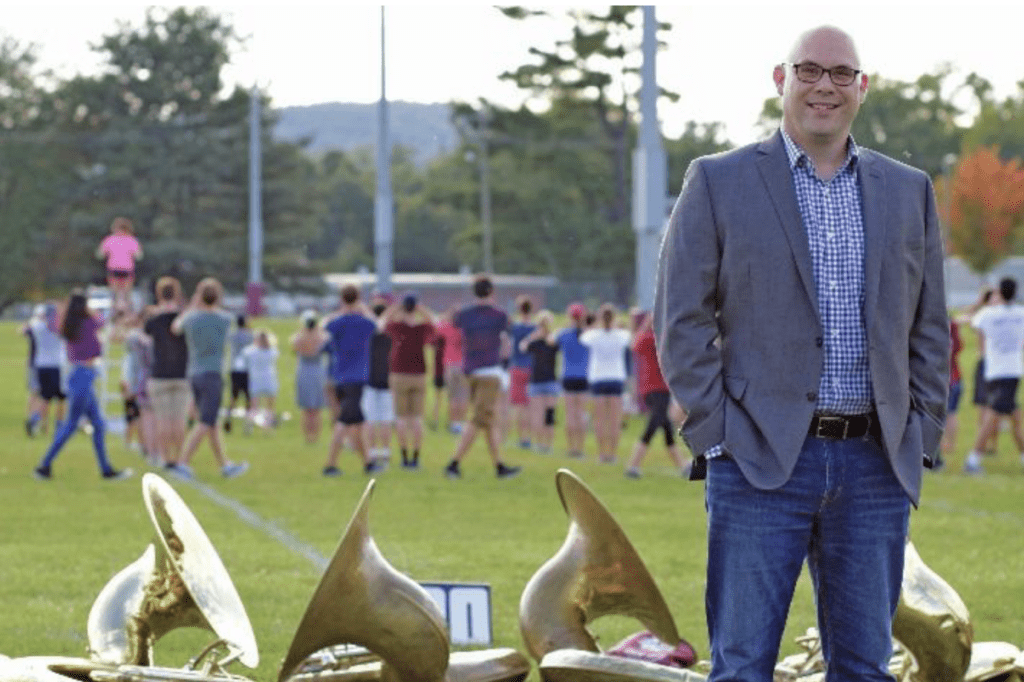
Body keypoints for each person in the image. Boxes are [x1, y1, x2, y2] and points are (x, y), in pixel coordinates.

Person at [654, 26, 948, 682]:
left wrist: (920, 431)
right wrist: (718, 433)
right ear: (780, 79)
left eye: (842, 74)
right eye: (809, 70)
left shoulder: (908, 190)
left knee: (865, 669)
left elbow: (929, 327)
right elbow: (680, 319)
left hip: (875, 466)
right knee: (742, 666)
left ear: (862, 88)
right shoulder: (718, 181)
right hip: (758, 463)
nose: (825, 85)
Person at [34, 290, 133, 481]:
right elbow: (103, 322)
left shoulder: (69, 324)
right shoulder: (88, 322)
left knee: (98, 424)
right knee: (72, 425)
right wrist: (115, 308)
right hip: (84, 376)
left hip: (79, 374)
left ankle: (105, 469)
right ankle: (44, 465)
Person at [443, 275, 521, 480]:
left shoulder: (465, 314)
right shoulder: (499, 315)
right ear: (492, 291)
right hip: (490, 371)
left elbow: (452, 320)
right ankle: (454, 463)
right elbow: (507, 337)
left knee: (488, 421)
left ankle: (499, 465)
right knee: (479, 418)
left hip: (470, 369)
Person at [171, 278, 249, 479]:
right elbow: (223, 316)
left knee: (212, 422)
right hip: (213, 374)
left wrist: (192, 305)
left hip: (194, 374)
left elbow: (175, 327)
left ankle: (225, 464)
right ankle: (183, 462)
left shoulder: (191, 318)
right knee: (206, 421)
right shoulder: (224, 319)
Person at [963, 277, 1024, 475]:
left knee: (1012, 414)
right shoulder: (1020, 313)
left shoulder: (988, 314)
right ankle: (973, 459)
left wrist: (981, 302)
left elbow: (970, 321)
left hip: (994, 369)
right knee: (995, 415)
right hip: (1012, 369)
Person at [322, 283, 382, 476]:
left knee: (357, 421)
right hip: (357, 377)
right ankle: (330, 464)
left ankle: (368, 463)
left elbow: (325, 326)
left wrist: (342, 309)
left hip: (340, 376)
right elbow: (379, 325)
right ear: (358, 298)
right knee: (345, 420)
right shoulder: (364, 322)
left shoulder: (337, 322)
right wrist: (363, 308)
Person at [624, 312, 691, 479]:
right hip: (656, 388)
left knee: (666, 427)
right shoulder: (658, 340)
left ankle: (683, 466)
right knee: (654, 425)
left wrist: (645, 324)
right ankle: (633, 465)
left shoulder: (648, 338)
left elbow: (635, 344)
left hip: (655, 388)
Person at [383, 292, 436, 469]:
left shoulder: (397, 327)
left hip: (399, 374)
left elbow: (382, 323)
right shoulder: (421, 328)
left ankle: (404, 456)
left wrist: (394, 308)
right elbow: (434, 323)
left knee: (401, 418)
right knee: (417, 419)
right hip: (419, 374)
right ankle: (416, 457)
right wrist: (422, 309)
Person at [144, 276, 190, 468]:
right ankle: (178, 457)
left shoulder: (153, 319)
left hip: (159, 373)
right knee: (179, 418)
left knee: (162, 418)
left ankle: (164, 457)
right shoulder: (184, 318)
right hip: (181, 372)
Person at [580, 303, 632, 464]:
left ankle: (603, 454)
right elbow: (630, 336)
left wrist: (595, 323)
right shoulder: (621, 335)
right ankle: (613, 454)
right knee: (615, 420)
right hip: (616, 378)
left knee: (600, 420)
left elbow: (583, 337)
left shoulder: (594, 335)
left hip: (598, 379)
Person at [519, 310, 560, 454]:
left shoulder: (534, 342)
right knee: (549, 415)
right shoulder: (553, 341)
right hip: (551, 381)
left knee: (537, 415)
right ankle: (548, 445)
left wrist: (532, 335)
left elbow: (522, 347)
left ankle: (539, 444)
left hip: (536, 381)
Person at [23, 303, 66, 437]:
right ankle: (59, 426)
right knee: (61, 398)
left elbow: (25, 330)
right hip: (58, 364)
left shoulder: (37, 327)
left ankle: (37, 421)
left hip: (41, 364)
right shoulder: (59, 327)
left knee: (45, 397)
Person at [363, 299, 395, 464]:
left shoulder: (367, 333)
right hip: (388, 377)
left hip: (369, 377)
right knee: (385, 419)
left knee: (370, 418)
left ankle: (372, 450)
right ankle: (386, 450)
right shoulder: (391, 333)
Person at [556, 302, 590, 459]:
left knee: (570, 414)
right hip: (583, 376)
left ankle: (571, 448)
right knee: (581, 413)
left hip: (568, 376)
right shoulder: (588, 334)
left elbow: (552, 342)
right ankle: (580, 448)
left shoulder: (563, 334)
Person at [291, 310, 329, 445]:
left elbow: (294, 348)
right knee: (317, 408)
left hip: (304, 371)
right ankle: (316, 436)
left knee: (306, 409)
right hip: (319, 371)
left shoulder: (299, 337)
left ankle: (308, 437)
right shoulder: (322, 337)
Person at [96, 217, 142, 313]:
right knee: (127, 295)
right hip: (127, 270)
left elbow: (100, 254)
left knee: (114, 295)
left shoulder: (109, 240)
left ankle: (113, 314)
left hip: (114, 269)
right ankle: (129, 314)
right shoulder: (132, 240)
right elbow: (139, 256)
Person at [508, 295, 536, 450]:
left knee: (518, 404)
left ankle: (521, 436)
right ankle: (530, 437)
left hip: (517, 366)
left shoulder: (515, 327)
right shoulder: (535, 328)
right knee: (530, 404)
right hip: (532, 367)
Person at [434, 306, 468, 434]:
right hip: (464, 364)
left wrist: (445, 316)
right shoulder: (465, 329)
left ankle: (454, 423)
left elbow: (436, 325)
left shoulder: (446, 328)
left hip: (449, 364)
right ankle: (461, 422)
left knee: (453, 396)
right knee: (463, 396)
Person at [244, 329, 281, 429]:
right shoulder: (272, 351)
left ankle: (249, 425)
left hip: (255, 379)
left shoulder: (251, 351)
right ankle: (268, 425)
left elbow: (246, 355)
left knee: (254, 406)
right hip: (269, 378)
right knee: (270, 406)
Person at [938, 318, 962, 469]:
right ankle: (950, 444)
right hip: (955, 377)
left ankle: (940, 447)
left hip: (940, 378)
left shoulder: (931, 324)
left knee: (937, 415)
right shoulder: (952, 324)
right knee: (952, 413)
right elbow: (959, 347)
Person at [225, 314, 254, 434]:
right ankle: (248, 425)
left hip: (234, 368)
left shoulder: (232, 335)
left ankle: (228, 419)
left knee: (233, 396)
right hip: (247, 368)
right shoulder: (249, 335)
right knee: (248, 397)